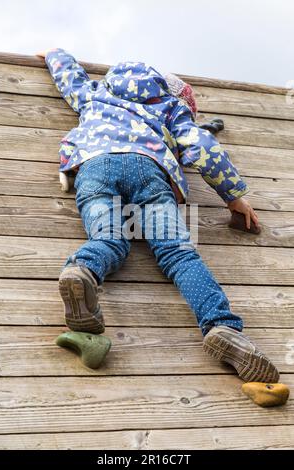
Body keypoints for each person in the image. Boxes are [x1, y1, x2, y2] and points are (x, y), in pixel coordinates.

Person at [38, 48, 279, 382]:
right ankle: (221, 326)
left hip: (93, 165)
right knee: (178, 254)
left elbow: (69, 77)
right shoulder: (169, 107)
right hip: (149, 170)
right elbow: (201, 145)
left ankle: (82, 272)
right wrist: (233, 196)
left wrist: (55, 54)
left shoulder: (96, 94)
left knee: (108, 239)